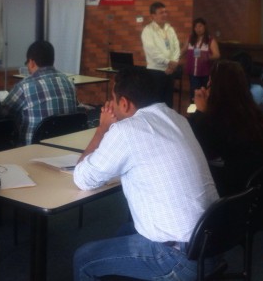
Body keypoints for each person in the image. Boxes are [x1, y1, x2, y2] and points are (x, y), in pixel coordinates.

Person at [72, 66, 218, 280]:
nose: (111, 105)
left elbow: (83, 178)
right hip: (211, 244)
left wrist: (102, 129)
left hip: (178, 260)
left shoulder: (127, 130)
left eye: (113, 100)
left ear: (124, 103)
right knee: (125, 231)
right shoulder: (177, 119)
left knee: (83, 258)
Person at [188, 60, 263, 196]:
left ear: (216, 88)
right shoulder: (251, 112)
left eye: (210, 83)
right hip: (260, 189)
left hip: (232, 193)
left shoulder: (217, 121)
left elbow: (197, 151)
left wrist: (200, 112)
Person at [0, 40, 77, 145]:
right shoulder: (69, 82)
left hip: (32, 150)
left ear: (31, 62)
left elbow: (3, 115)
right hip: (66, 145)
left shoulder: (24, 86)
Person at [141, 1, 181, 108]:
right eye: (161, 13)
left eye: (165, 12)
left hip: (170, 71)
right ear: (153, 16)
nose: (164, 15)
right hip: (156, 72)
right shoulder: (148, 30)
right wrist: (168, 62)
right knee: (156, 103)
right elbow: (152, 52)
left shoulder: (170, 29)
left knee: (168, 103)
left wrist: (174, 62)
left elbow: (176, 47)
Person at [184, 17, 220, 99]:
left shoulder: (210, 40)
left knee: (204, 94)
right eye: (196, 27)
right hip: (193, 72)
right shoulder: (190, 39)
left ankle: (203, 110)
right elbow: (183, 50)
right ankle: (193, 111)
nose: (198, 29)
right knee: (194, 94)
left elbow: (217, 55)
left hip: (205, 73)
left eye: (200, 26)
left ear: (205, 27)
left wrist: (206, 57)